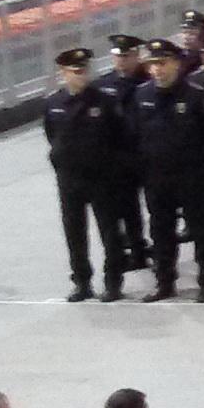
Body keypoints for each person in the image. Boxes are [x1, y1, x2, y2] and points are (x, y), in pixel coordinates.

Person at [126, 41, 204, 303]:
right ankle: (165, 282)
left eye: (162, 63)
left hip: (192, 175)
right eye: (153, 64)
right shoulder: (142, 95)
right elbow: (134, 135)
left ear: (176, 64)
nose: (157, 69)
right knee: (160, 231)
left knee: (202, 230)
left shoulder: (196, 95)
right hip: (157, 176)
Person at [42, 46, 135, 303]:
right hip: (70, 179)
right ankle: (82, 281)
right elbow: (52, 136)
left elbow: (121, 137)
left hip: (101, 177)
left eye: (85, 71)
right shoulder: (54, 103)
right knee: (74, 231)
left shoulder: (104, 101)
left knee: (110, 232)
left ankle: (113, 282)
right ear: (63, 73)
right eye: (76, 71)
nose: (82, 75)